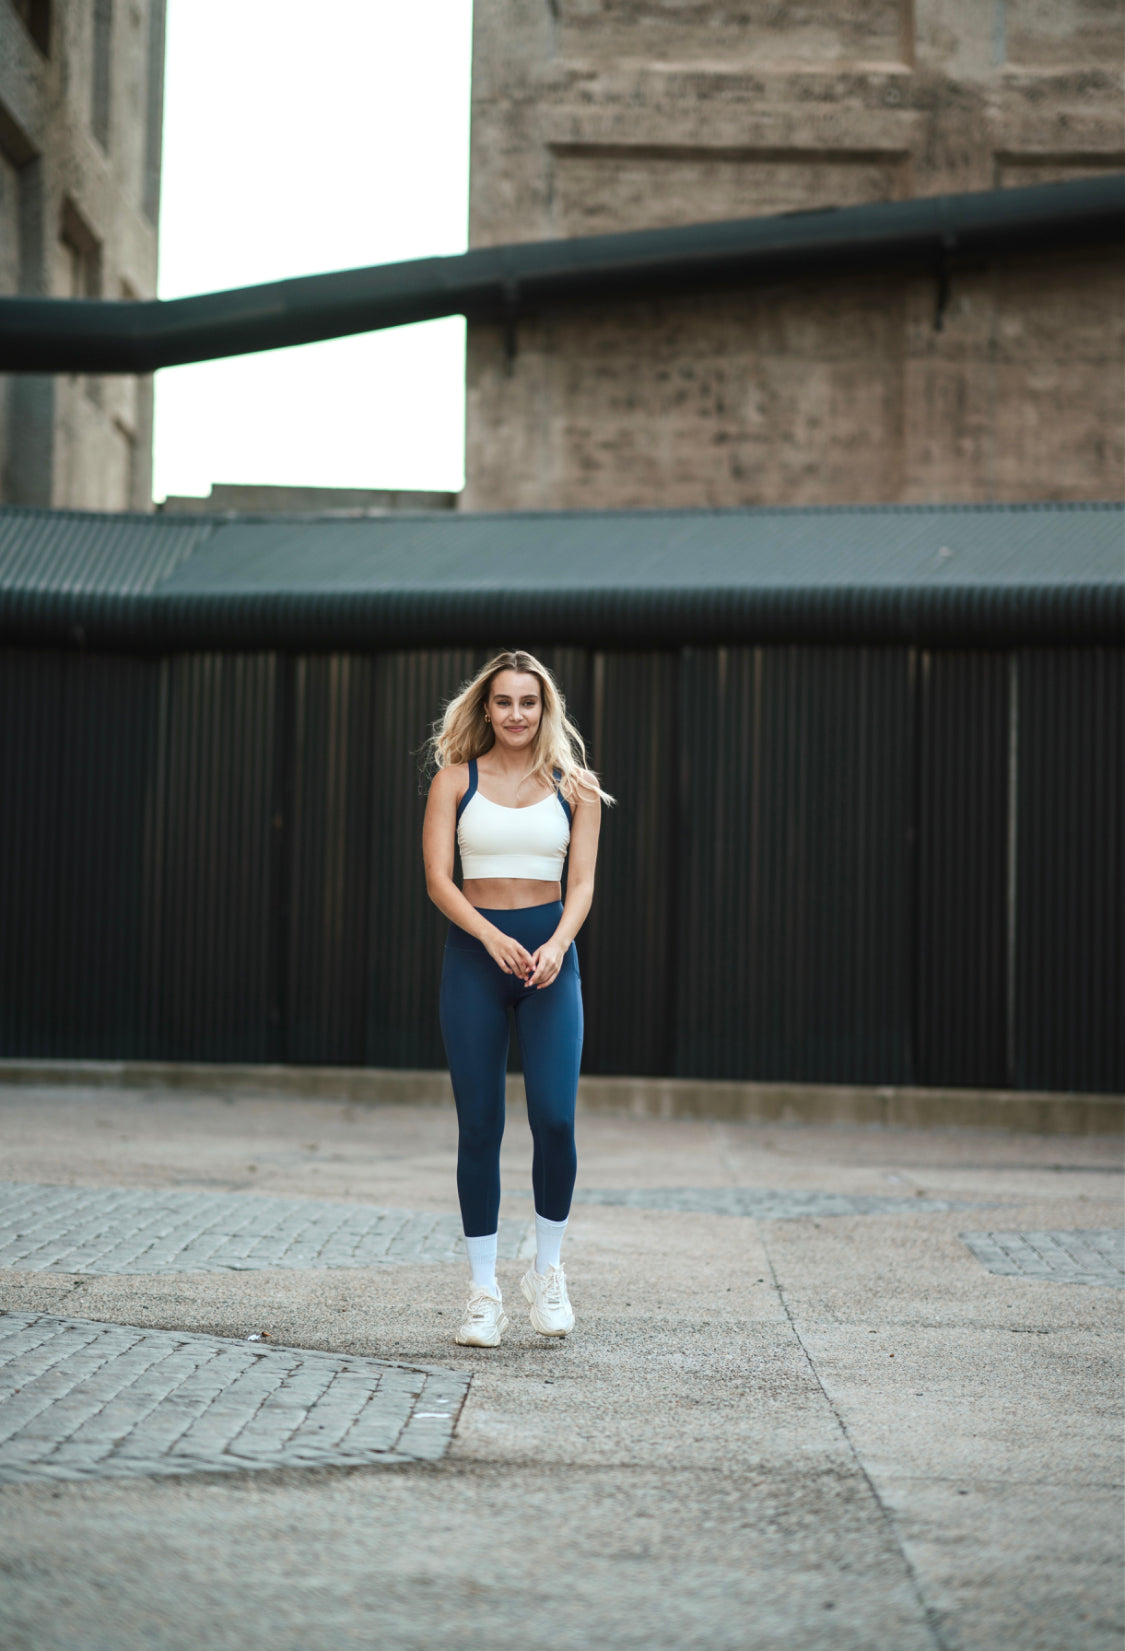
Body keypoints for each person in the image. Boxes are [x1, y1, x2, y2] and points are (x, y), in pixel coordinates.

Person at [422, 650, 613, 1347]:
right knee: (480, 1127)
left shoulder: (576, 786)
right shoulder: (453, 781)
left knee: (555, 1121)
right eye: (502, 701)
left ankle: (548, 1272)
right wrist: (488, 935)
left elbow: (584, 883)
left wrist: (558, 943)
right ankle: (481, 1292)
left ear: (544, 708)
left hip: (549, 962)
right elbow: (440, 881)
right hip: (475, 959)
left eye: (527, 702)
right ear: (486, 707)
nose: (515, 714)